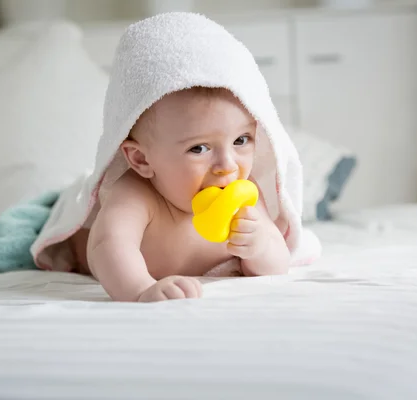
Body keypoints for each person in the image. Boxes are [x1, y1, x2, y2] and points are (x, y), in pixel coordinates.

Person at [30, 12, 321, 302]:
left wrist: (260, 246)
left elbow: (276, 265)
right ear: (142, 160)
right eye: (199, 148)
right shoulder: (135, 194)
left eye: (241, 141)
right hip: (87, 245)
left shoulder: (247, 196)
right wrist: (141, 288)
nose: (227, 166)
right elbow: (107, 247)